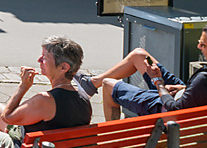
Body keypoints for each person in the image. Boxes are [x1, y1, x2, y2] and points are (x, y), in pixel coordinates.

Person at [73, 29, 207, 120]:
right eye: (199, 42)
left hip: (170, 109)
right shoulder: (202, 81)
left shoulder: (202, 79)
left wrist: (158, 82)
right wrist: (183, 88)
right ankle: (91, 83)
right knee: (139, 55)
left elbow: (174, 110)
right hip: (186, 96)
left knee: (108, 84)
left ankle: (112, 140)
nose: (199, 47)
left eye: (203, 45)